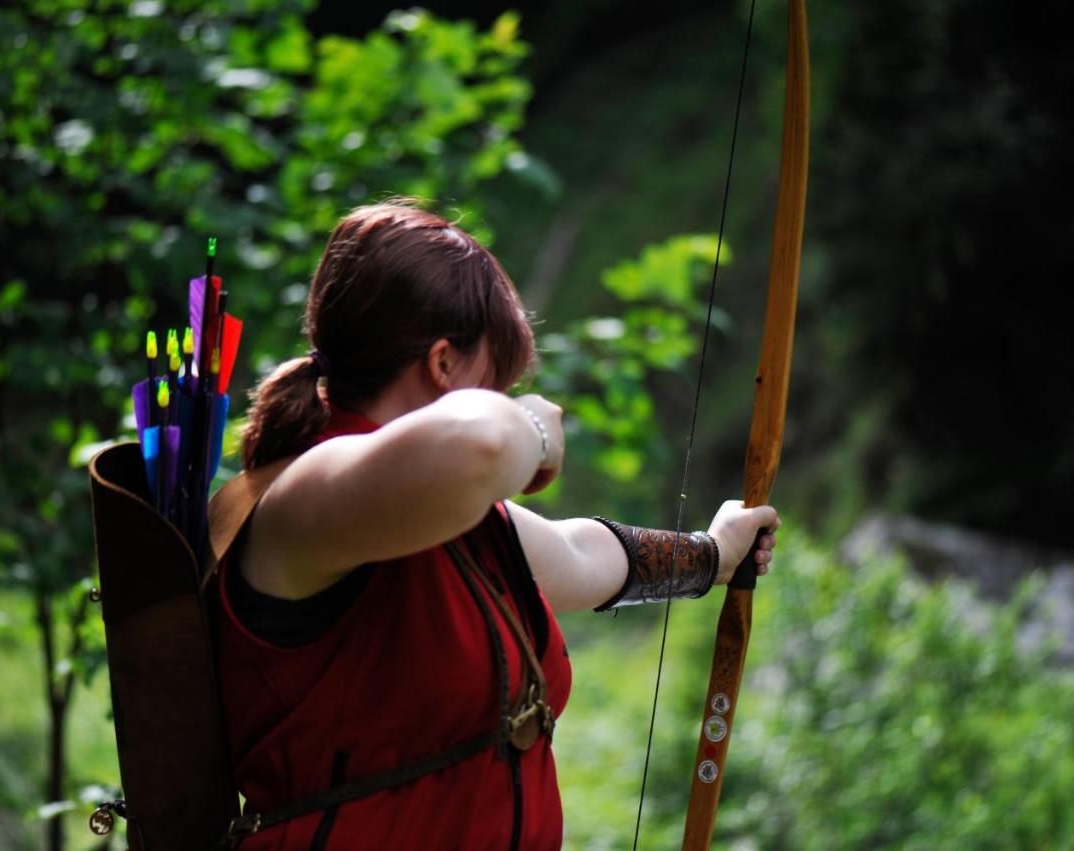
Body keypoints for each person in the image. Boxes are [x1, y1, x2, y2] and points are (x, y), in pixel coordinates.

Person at [210, 201, 779, 850]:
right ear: (444, 363)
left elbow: (577, 554)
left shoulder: (436, 514)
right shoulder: (308, 496)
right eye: (495, 378)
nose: (504, 396)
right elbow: (483, 446)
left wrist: (713, 554)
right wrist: (535, 428)